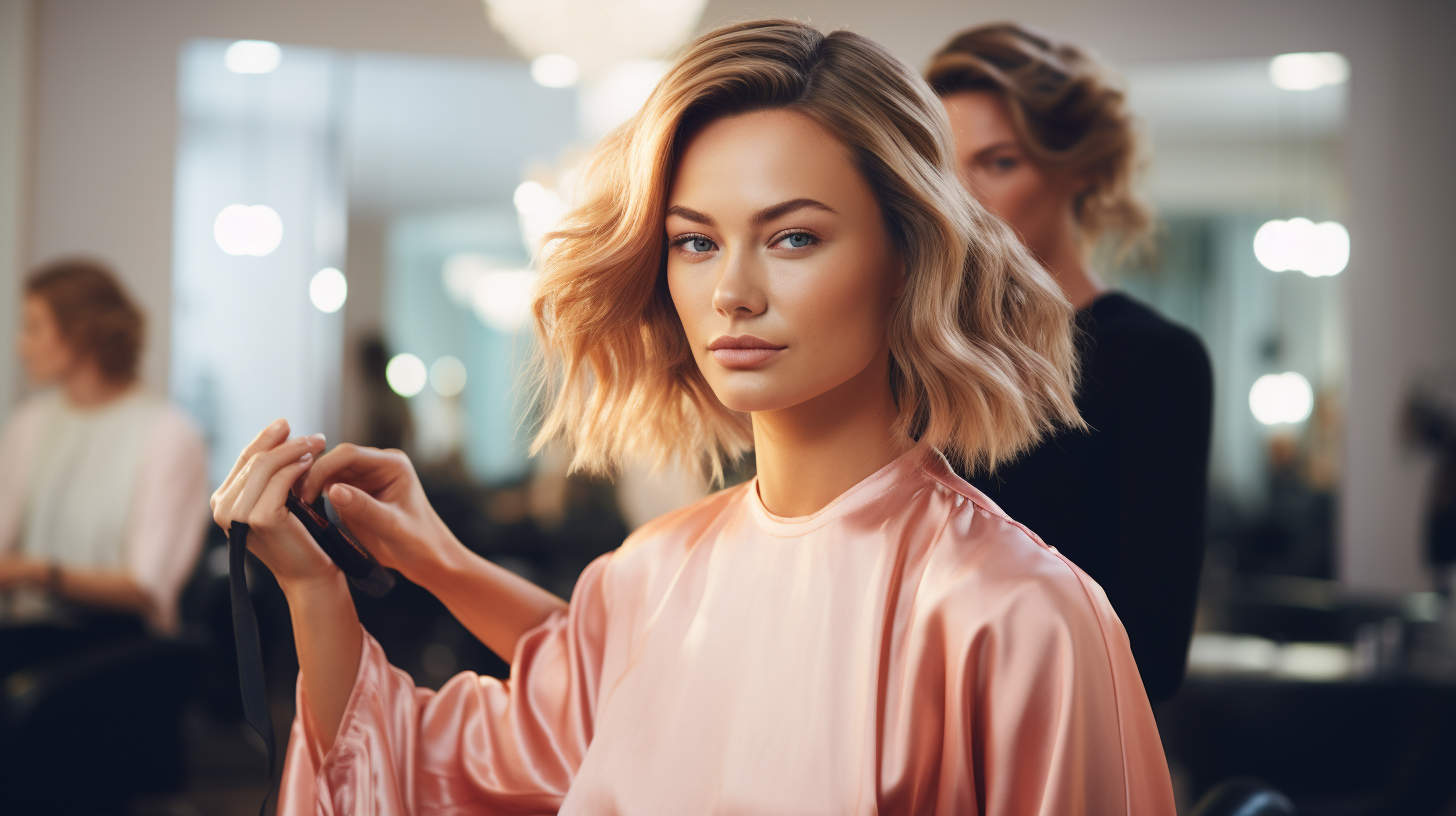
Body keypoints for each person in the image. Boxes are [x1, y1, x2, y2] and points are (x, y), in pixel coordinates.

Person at [214, 19, 1175, 814]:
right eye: (695, 242)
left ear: (909, 256)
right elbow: (422, 770)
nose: (733, 294)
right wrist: (315, 593)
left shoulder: (1019, 617)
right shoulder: (645, 578)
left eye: (794, 236)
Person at [926, 23, 1215, 704]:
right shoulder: (919, 354)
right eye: (944, 164)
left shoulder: (1155, 362)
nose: (960, 197)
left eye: (998, 162)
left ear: (1079, 167)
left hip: (1061, 744)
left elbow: (1151, 652)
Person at [0, 258, 210, 680]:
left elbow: (145, 588)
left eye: (34, 327)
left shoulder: (169, 435)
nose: (21, 345)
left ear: (82, 335)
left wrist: (34, 572)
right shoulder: (28, 424)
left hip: (120, 652)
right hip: (32, 632)